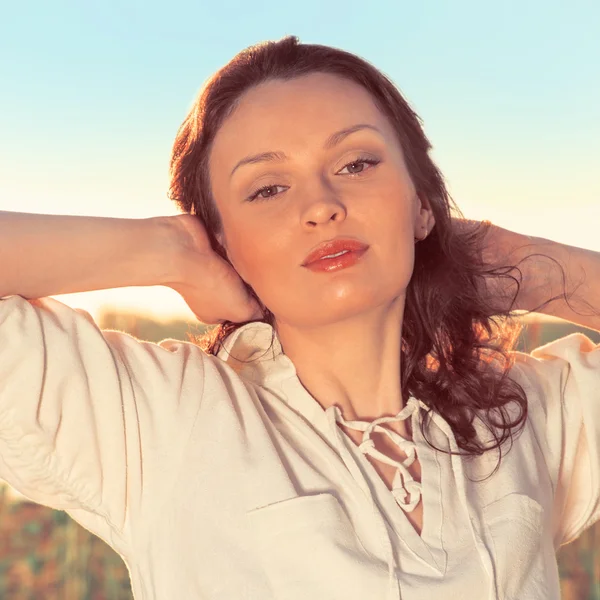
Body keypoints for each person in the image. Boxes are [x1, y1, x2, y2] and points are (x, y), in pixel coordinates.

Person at [0, 35, 599, 600]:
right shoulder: (154, 417)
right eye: (266, 189)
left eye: (357, 164)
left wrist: (531, 267)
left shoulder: (530, 412)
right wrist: (166, 250)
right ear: (222, 242)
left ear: (422, 205)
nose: (321, 206)